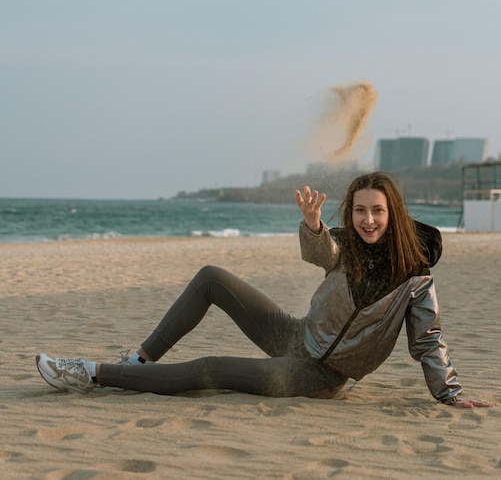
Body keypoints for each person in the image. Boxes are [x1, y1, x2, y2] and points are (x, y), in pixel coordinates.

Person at [36, 172, 495, 408]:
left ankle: (91, 374)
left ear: (392, 212)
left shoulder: (415, 279)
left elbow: (428, 341)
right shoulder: (348, 247)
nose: (367, 220)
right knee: (212, 276)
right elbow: (323, 254)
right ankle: (136, 362)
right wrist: (314, 225)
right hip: (296, 337)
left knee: (209, 368)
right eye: (359, 211)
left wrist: (449, 393)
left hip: (320, 376)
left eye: (376, 211)